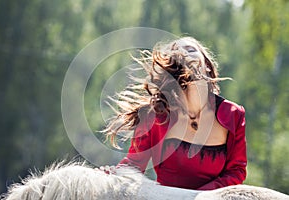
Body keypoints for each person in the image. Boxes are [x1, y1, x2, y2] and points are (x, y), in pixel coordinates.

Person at [102, 36, 247, 190]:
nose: (184, 53)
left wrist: (200, 197)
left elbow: (236, 171)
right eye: (177, 52)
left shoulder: (233, 114)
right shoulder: (153, 115)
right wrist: (109, 177)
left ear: (207, 66)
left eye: (191, 50)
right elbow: (134, 165)